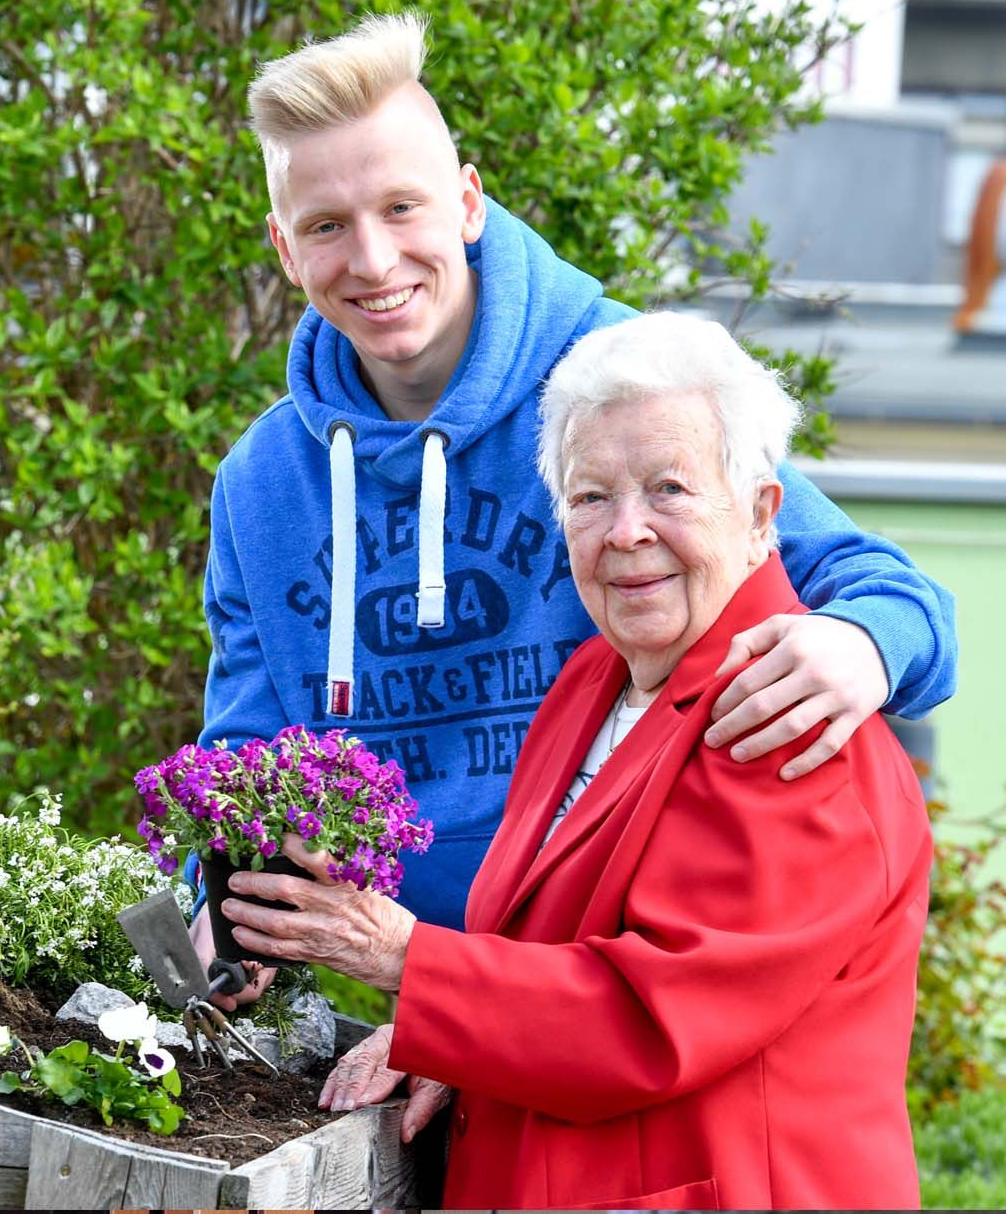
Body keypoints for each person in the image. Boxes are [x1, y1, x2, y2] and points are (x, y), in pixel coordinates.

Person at [190, 11, 953, 1005]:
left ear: (467, 203)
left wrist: (862, 644)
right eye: (326, 226)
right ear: (285, 250)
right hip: (396, 989)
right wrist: (226, 904)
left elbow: (889, 596)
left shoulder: (619, 388)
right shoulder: (261, 483)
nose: (374, 261)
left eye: (401, 208)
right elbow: (247, 750)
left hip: (593, 962)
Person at [217, 312, 934, 1209]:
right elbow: (542, 946)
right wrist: (455, 1042)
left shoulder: (786, 727)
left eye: (669, 488)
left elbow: (647, 1018)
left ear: (760, 514)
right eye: (591, 496)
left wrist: (407, 961)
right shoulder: (593, 683)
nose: (626, 530)